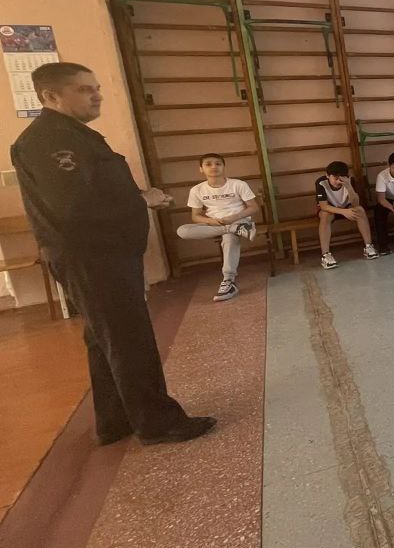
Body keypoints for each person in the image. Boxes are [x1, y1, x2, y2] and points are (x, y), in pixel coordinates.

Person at [12, 62, 215, 444]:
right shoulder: (49, 141)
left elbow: (94, 190)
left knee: (104, 336)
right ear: (50, 96)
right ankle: (157, 422)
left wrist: (139, 198)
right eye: (84, 89)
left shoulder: (75, 135)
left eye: (97, 87)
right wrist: (142, 200)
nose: (97, 95)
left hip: (104, 254)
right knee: (128, 337)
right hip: (92, 256)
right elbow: (74, 206)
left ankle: (115, 418)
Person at [176, 153, 259, 302]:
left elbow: (253, 207)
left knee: (229, 239)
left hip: (237, 220)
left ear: (224, 166)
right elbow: (196, 216)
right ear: (201, 169)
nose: (213, 167)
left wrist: (233, 218)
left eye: (218, 163)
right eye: (208, 164)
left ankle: (229, 281)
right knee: (182, 231)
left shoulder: (238, 184)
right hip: (214, 224)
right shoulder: (197, 190)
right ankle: (233, 229)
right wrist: (213, 221)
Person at [316, 161, 378, 268]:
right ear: (327, 176)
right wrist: (344, 212)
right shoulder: (321, 182)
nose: (338, 181)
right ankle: (326, 255)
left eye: (340, 179)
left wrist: (349, 186)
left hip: (346, 206)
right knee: (325, 215)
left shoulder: (349, 181)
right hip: (330, 208)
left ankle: (368, 246)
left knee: (360, 210)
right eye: (335, 178)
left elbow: (355, 203)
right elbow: (324, 206)